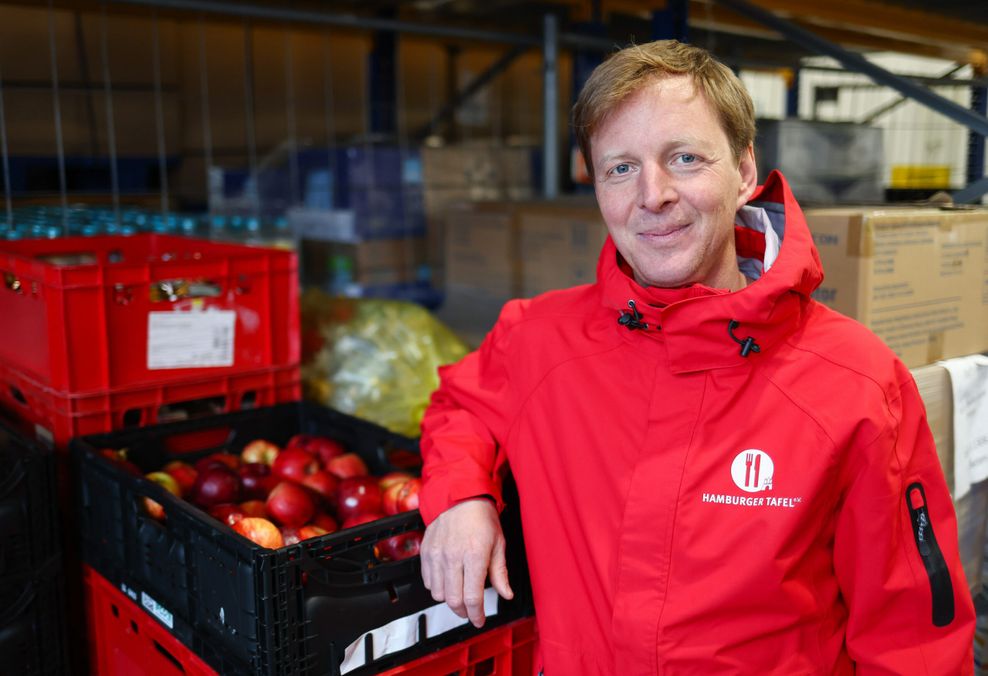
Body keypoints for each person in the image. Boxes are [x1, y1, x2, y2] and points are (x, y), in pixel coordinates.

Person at [417, 39, 976, 674]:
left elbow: (911, 638)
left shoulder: (855, 384)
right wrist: (463, 498)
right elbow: (461, 406)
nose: (652, 195)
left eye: (684, 158)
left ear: (743, 172)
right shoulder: (539, 338)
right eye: (620, 168)